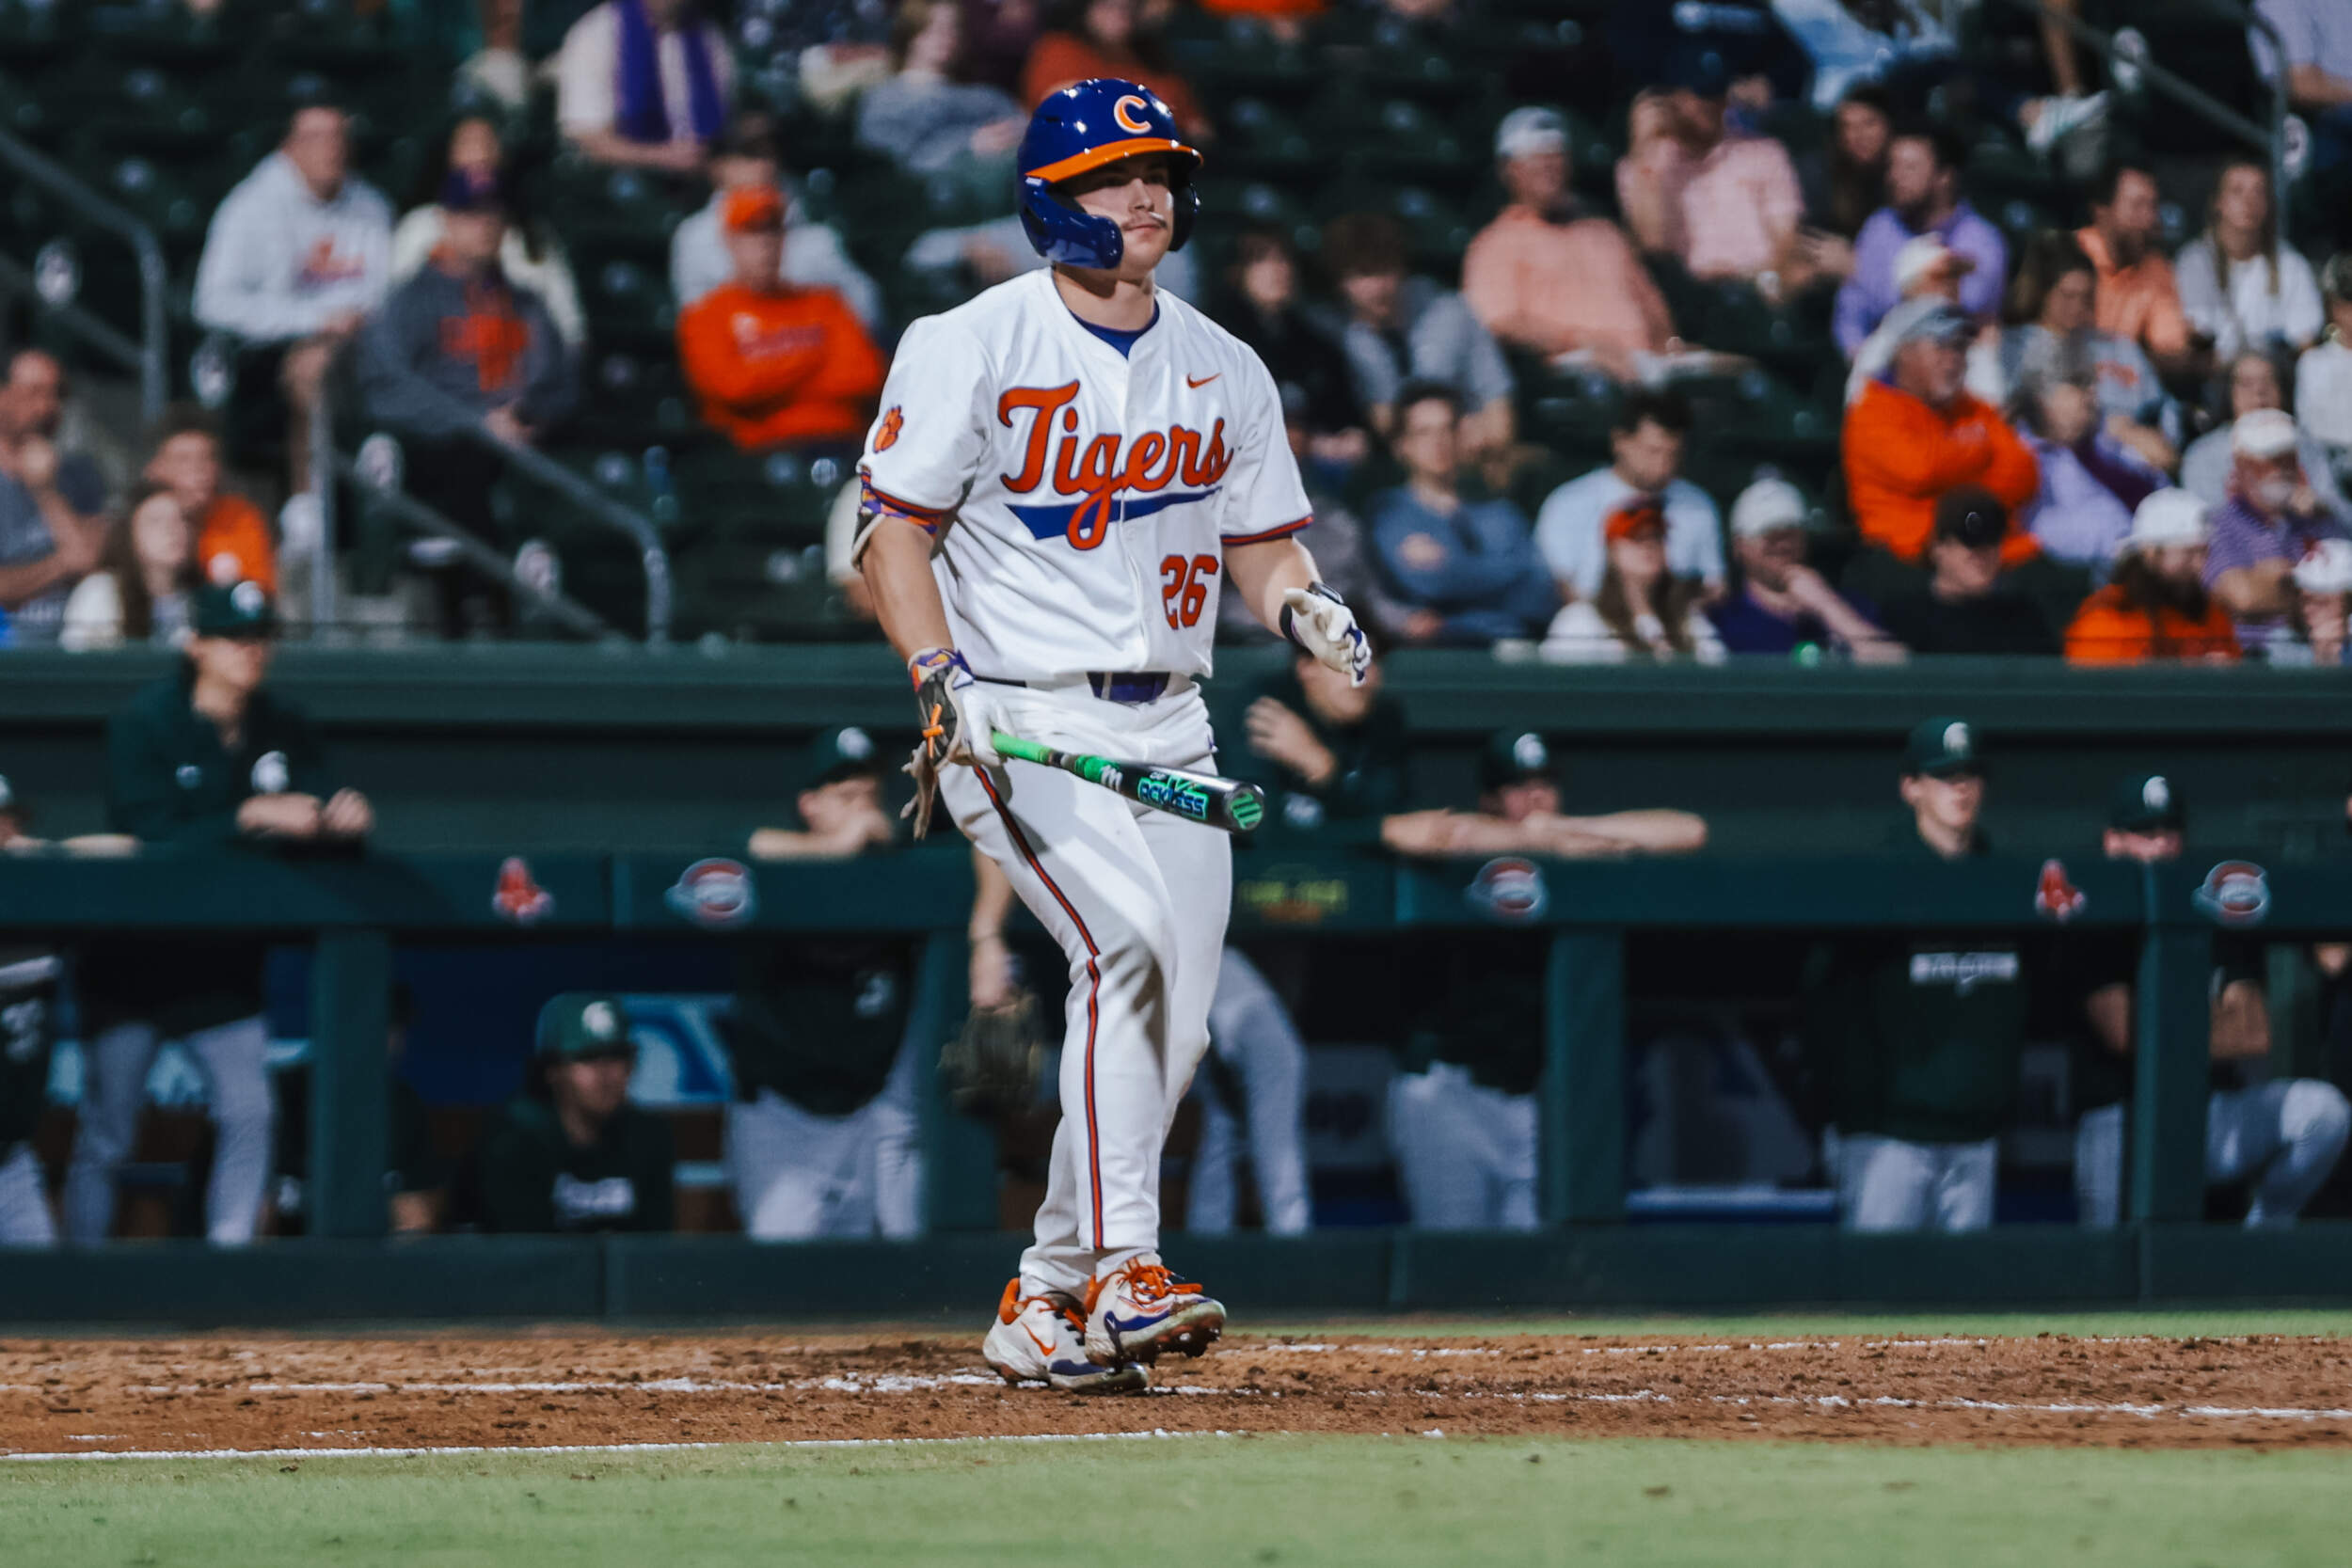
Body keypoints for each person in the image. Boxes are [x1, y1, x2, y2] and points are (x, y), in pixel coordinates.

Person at [851, 80, 1371, 1392]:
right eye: (1114, 173)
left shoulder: (1224, 361)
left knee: (1173, 1025)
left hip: (1172, 721)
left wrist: (1301, 602)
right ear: (1052, 197)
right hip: (1016, 713)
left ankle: (1044, 1289)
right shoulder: (971, 339)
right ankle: (1131, 1268)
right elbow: (890, 534)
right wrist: (937, 676)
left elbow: (1261, 541)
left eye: (1160, 172)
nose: (1146, 193)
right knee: (1123, 950)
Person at [67, 582, 373, 1247]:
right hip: (132, 962)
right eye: (234, 637)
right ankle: (79, 1271)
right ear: (196, 643)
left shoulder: (284, 724)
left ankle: (229, 1259)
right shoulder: (145, 722)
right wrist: (248, 815)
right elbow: (148, 839)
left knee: (250, 1111)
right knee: (109, 1131)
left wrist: (344, 822)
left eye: (260, 636)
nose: (250, 650)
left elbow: (319, 807)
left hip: (222, 964)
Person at [1380, 731, 1705, 1230]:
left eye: (1545, 784)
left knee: (1530, 1262)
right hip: (1447, 1092)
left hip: (1526, 1100)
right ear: (1490, 798)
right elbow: (1425, 833)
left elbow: (1689, 830)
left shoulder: (1573, 850)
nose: (1535, 798)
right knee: (1450, 1259)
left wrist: (1564, 832)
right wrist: (1543, 840)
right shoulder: (1462, 850)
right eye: (1518, 786)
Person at [2070, 774, 2351, 1227]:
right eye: (2144, 832)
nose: (2160, 844)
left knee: (2324, 1111)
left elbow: (2254, 1033)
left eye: (2169, 831)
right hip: (2119, 1119)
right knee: (2104, 1257)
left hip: (2210, 1113)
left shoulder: (2213, 906)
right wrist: (2213, 1019)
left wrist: (2161, 1025)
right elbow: (2124, 1033)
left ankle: (2265, 1232)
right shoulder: (2095, 921)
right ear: (2112, 841)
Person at [1807, 717, 2026, 1231]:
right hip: (1887, 1138)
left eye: (1970, 775)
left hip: (1976, 1134)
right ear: (1911, 787)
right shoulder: (1877, 878)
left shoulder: (2005, 880)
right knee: (1876, 1281)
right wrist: (1850, 1110)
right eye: (1944, 776)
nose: (1960, 788)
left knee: (1966, 1282)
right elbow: (1823, 998)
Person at [358, 169, 580, 638]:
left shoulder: (527, 302)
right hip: (441, 449)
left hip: (520, 446)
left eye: (493, 214)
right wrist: (477, 421)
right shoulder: (412, 298)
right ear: (446, 220)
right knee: (458, 467)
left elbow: (563, 382)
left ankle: (529, 593)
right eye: (471, 214)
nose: (485, 225)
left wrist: (528, 415)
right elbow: (385, 388)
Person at [727, 727, 924, 1240]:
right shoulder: (773, 867)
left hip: (873, 1111)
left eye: (870, 796)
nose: (863, 811)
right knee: (783, 1263)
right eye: (846, 796)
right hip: (785, 1115)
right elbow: (741, 848)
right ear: (809, 805)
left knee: (906, 1261)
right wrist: (836, 848)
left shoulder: (901, 869)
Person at [192, 105, 393, 494]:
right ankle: (310, 501)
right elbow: (212, 302)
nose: (331, 148)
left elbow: (382, 292)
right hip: (268, 349)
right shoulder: (250, 206)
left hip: (360, 339)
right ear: (289, 147)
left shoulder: (372, 205)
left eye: (338, 137)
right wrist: (315, 320)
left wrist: (342, 326)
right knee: (312, 367)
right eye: (316, 137)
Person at [1461, 107, 1677, 377]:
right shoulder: (1494, 244)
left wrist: (1673, 347)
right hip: (1573, 374)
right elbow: (1500, 323)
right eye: (1535, 158)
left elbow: (1652, 308)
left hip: (1647, 366)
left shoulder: (1605, 233)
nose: (1548, 166)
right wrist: (1581, 342)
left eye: (1556, 155)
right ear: (1509, 170)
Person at [675, 185, 887, 454]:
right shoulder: (705, 315)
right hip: (758, 453)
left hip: (841, 440)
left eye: (773, 232)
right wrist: (813, 360)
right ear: (730, 242)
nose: (766, 244)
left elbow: (865, 375)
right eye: (752, 233)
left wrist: (771, 383)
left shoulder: (825, 303)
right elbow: (732, 388)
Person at [1844, 299, 2042, 564]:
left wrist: (1952, 472)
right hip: (1909, 560)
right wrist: (1978, 449)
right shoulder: (1871, 410)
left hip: (1992, 551)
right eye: (1941, 345)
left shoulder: (1973, 408)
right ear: (1904, 351)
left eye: (1960, 347)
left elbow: (2023, 473)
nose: (1953, 359)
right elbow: (1919, 470)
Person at [1368, 382, 1555, 645]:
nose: (1438, 442)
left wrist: (1453, 571)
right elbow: (1429, 585)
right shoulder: (1390, 514)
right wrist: (1507, 575)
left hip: (1509, 649)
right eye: (1423, 432)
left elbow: (1539, 592)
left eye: (1447, 429)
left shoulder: (1502, 514)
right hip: (1435, 655)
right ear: (1402, 445)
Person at [469, 994, 675, 1233]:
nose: (605, 1075)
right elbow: (522, 1249)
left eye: (617, 1056)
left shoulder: (649, 1136)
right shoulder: (514, 1141)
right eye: (587, 1057)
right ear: (552, 1070)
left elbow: (654, 1244)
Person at [1614, 59, 1816, 297]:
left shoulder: (1764, 152)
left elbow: (1786, 242)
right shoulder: (1641, 166)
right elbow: (1653, 248)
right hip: (1683, 295)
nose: (1710, 104)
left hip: (1754, 289)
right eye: (1698, 95)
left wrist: (1767, 282)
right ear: (1671, 98)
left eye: (1717, 93)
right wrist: (1646, 159)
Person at [1323, 211, 1515, 457]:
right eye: (1363, 275)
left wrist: (1483, 436)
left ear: (1403, 268)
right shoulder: (1333, 330)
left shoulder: (1449, 311)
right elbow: (1384, 424)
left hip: (1468, 453)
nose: (1378, 287)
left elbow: (1498, 404)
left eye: (1386, 270)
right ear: (1340, 282)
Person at [390, 116, 587, 349]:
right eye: (469, 143)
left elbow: (570, 332)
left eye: (489, 143)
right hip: (438, 360)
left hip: (523, 360)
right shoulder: (419, 227)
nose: (481, 154)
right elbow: (394, 324)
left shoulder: (532, 233)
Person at [669, 119, 882, 329]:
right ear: (718, 166)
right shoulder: (694, 235)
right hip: (744, 343)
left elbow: (863, 303)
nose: (763, 164)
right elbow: (694, 319)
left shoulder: (812, 227)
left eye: (769, 153)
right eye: (749, 154)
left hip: (816, 340)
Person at [270, 983, 448, 1235]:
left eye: (392, 1030)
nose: (384, 1042)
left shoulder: (403, 1105)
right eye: (365, 1028)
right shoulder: (281, 1097)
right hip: (289, 1253)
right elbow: (255, 1226)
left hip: (369, 1255)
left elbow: (414, 1219)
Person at [1998, 230, 2176, 474]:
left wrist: (2160, 434)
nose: (2076, 306)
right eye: (2067, 295)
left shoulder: (2117, 347)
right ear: (2044, 293)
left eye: (2085, 296)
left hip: (2137, 458)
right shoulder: (2016, 346)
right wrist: (2113, 430)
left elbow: (2162, 409)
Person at [1534, 387, 1724, 604]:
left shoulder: (1698, 505)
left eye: (1673, 454)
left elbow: (1714, 586)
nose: (1663, 466)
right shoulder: (1568, 503)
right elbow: (1556, 584)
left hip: (1677, 621)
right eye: (1653, 451)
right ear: (1620, 441)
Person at [1835, 123, 2008, 358]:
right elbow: (1850, 311)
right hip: (1879, 366)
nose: (1894, 177)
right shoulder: (1880, 226)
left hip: (1955, 367)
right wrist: (1860, 355)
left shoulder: (1983, 241)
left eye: (1910, 167)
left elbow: (1944, 312)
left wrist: (1860, 273)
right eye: (1892, 166)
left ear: (1944, 177)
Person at [1208, 230, 1370, 467]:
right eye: (1262, 260)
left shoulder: (1313, 340)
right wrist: (1310, 443)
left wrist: (1350, 434)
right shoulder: (1215, 339)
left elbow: (1344, 413)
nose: (1279, 270)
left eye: (1285, 259)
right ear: (1237, 272)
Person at [2205, 407, 2349, 653]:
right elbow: (2244, 597)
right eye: (2270, 459)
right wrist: (2319, 587)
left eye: (2289, 457)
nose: (2282, 468)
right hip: (2259, 658)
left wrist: (2281, 579)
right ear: (2243, 465)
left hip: (2332, 651)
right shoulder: (2221, 525)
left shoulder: (2319, 517)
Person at [1708, 477, 1897, 657]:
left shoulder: (1851, 607)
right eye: (1769, 536)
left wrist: (1826, 606)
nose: (1782, 544)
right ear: (1739, 546)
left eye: (1791, 533)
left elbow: (1898, 666)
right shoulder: (1722, 622)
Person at [857, 0, 1026, 198]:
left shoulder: (986, 96)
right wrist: (969, 144)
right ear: (911, 32)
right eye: (934, 27)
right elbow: (893, 166)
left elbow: (1029, 130)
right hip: (936, 203)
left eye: (954, 28)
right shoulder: (885, 101)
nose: (946, 36)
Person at [0, 352, 110, 646]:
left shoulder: (82, 473)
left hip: (73, 647)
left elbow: (92, 561)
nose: (48, 407)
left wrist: (47, 492)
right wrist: (64, 562)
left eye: (56, 394)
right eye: (34, 392)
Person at [557, 0, 735, 174]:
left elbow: (724, 123)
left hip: (701, 168)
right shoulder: (596, 34)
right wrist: (662, 156)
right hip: (617, 177)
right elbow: (590, 141)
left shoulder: (708, 37)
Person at [1878, 487, 2061, 655]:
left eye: (1991, 539)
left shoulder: (2024, 619)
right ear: (1938, 547)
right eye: (1969, 541)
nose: (1981, 552)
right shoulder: (1902, 618)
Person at [2009, 372, 2166, 567]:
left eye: (2088, 388)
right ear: (2042, 401)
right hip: (2109, 561)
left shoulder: (2104, 437)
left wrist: (2130, 435)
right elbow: (2043, 528)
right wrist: (2126, 545)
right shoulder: (2024, 456)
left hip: (2160, 539)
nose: (2090, 395)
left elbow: (2162, 468)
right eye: (2076, 387)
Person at [2174, 160, 2324, 365]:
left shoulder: (2291, 264)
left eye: (2258, 192)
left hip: (2275, 377)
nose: (2249, 201)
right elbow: (2194, 338)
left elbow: (2306, 343)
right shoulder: (2194, 260)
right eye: (2237, 191)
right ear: (2218, 202)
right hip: (2213, 377)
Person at [2064, 489, 2239, 663]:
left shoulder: (2210, 614)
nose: (2200, 564)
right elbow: (2095, 677)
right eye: (2189, 553)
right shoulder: (2107, 618)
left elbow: (2234, 664)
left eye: (2204, 552)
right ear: (2150, 553)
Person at [1541, 499, 1724, 662]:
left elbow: (1719, 673)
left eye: (1657, 537)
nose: (1649, 545)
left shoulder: (1689, 621)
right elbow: (1557, 682)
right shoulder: (1581, 619)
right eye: (1636, 537)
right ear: (1612, 550)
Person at [1843, 234, 2008, 407]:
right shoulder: (1884, 343)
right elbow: (1860, 407)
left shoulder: (1971, 336)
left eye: (1957, 277)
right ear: (1911, 287)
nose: (1953, 286)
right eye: (1942, 277)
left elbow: (1992, 407)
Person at [0, 779, 60, 1245]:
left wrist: (50, 858)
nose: (8, 833)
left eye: (10, 821)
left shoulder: (40, 903)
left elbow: (116, 850)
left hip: (12, 1161)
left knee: (47, 1283)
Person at [2184, 351, 2350, 519]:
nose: (2259, 391)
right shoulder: (2203, 455)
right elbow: (2203, 519)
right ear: (2228, 393)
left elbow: (2344, 516)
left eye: (2269, 381)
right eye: (2246, 384)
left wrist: (2321, 508)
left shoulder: (2307, 447)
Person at [2074, 161, 2198, 376]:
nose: (2149, 219)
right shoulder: (2070, 253)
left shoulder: (2156, 269)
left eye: (2153, 207)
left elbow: (2172, 351)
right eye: (2137, 206)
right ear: (2101, 211)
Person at [1021, 0, 1204, 138]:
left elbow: (1198, 128)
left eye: (1129, 7)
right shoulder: (1059, 48)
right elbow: (1059, 109)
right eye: (1109, 5)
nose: (1120, 13)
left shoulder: (1150, 59)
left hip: (1164, 156)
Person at [143, 406, 277, 593]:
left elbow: (258, 596)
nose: (199, 470)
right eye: (183, 459)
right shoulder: (138, 523)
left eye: (208, 458)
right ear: (155, 468)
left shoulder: (240, 519)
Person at [60, 483, 199, 652]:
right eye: (156, 521)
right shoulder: (101, 591)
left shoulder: (200, 598)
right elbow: (77, 662)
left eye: (182, 519)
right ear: (130, 533)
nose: (174, 530)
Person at [1796, 84, 1892, 247]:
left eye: (1869, 123)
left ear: (1889, 125)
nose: (1859, 136)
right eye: (1847, 126)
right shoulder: (1818, 174)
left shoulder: (1904, 171)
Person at [2298, 254, 2352, 458]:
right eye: (2345, 303)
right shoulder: (2313, 363)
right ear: (2332, 307)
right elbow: (2309, 428)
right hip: (2327, 459)